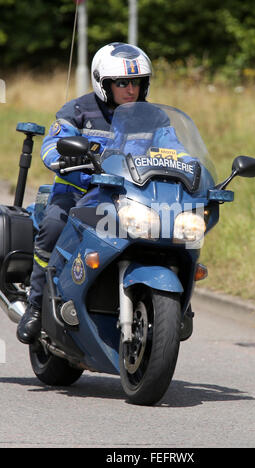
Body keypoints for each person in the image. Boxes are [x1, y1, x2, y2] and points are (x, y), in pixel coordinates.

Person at [17, 42, 153, 344]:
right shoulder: (78, 110)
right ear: (104, 84)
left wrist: (190, 167)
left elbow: (177, 150)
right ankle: (37, 307)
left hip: (130, 198)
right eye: (122, 82)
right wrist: (60, 156)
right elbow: (53, 143)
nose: (131, 89)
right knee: (52, 227)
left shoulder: (153, 118)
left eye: (137, 82)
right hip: (78, 193)